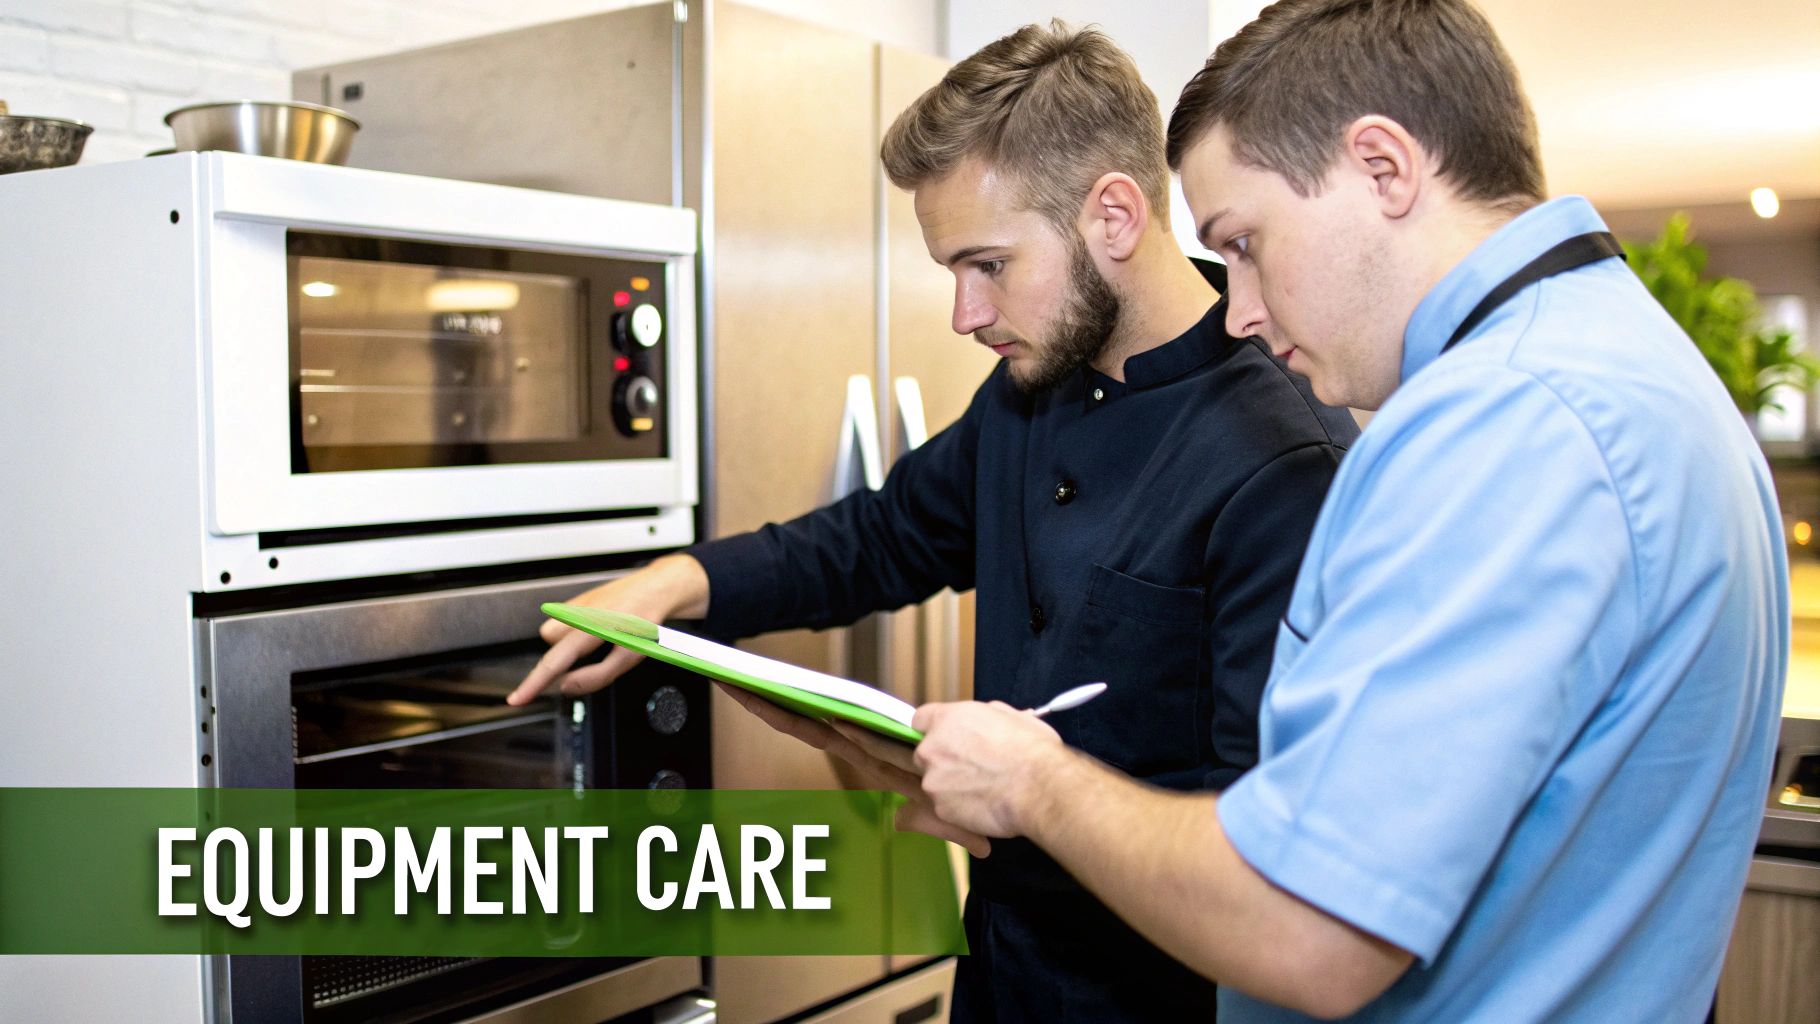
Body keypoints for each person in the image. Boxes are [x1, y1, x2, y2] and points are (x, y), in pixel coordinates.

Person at [902, 1, 1789, 1020]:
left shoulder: (1507, 424)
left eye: (1243, 242)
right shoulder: (1632, 366)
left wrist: (1032, 783)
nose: (1235, 308)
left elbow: (1309, 923)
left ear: (1381, 167)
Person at [509, 22, 1358, 1023]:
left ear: (1114, 216)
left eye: (987, 263)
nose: (963, 312)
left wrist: (1021, 795)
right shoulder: (1027, 390)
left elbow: (1256, 854)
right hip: (996, 971)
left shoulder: (1281, 459)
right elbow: (876, 538)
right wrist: (675, 584)